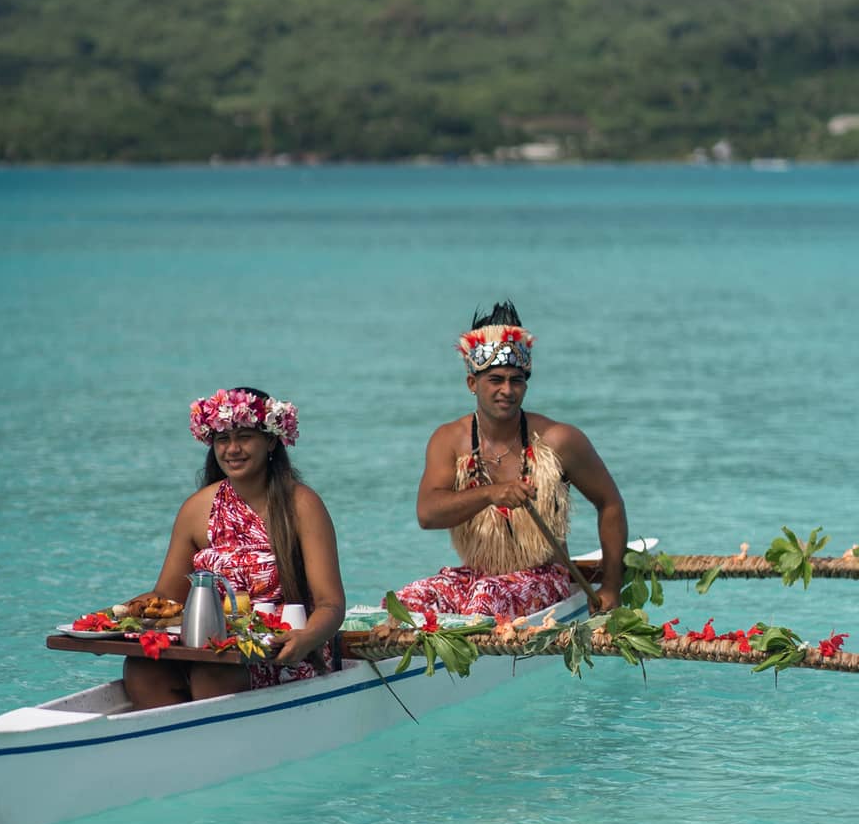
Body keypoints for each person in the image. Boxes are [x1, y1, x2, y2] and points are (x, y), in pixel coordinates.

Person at [394, 301, 627, 621]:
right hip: (477, 577)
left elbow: (610, 503)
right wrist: (491, 493)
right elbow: (427, 514)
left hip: (544, 579)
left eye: (516, 380)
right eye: (496, 379)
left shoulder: (560, 440)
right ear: (472, 384)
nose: (507, 390)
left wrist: (611, 586)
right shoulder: (449, 440)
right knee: (401, 604)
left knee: (484, 600)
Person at [123, 387, 346, 710]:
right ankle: (179, 752)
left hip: (287, 649)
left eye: (244, 437)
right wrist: (115, 618)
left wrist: (307, 638)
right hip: (210, 648)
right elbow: (168, 599)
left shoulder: (302, 505)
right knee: (142, 669)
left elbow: (330, 603)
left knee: (211, 677)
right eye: (222, 440)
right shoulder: (197, 509)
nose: (232, 449)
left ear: (271, 440)